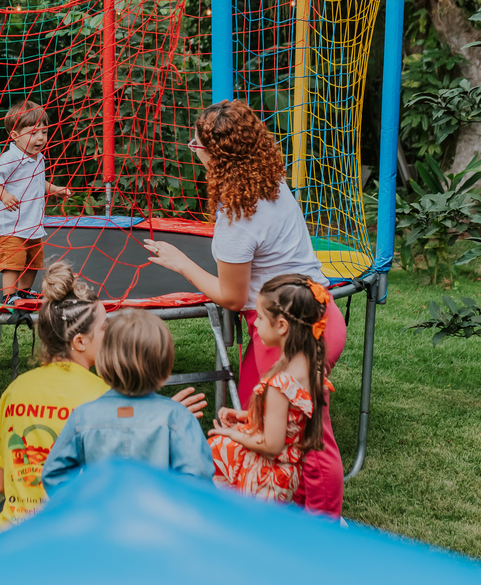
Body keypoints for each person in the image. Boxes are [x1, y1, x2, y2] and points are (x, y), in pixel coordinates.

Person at [143, 99, 347, 518]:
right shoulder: (270, 182)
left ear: (216, 155)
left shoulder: (238, 217)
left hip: (288, 330)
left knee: (310, 434)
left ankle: (323, 525)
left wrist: (182, 263)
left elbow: (233, 297)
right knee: (285, 425)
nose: (192, 150)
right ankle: (281, 510)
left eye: (196, 145)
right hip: (319, 312)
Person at [0, 261, 206, 541]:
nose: (110, 335)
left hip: (15, 533)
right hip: (77, 535)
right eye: (104, 328)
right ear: (80, 342)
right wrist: (162, 417)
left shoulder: (14, 389)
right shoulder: (103, 395)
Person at [41, 309, 215, 495]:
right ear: (165, 368)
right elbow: (199, 475)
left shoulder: (82, 418)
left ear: (103, 362)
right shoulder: (178, 417)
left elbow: (54, 473)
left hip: (103, 520)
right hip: (158, 521)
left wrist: (84, 503)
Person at [206, 274, 330, 502]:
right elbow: (289, 422)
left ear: (281, 325)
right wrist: (247, 417)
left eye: (260, 318)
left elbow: (271, 445)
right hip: (289, 474)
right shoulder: (311, 366)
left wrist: (232, 433)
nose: (256, 323)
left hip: (265, 480)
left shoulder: (279, 384)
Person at [0, 100, 71, 304]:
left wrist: (55, 190)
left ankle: (24, 292)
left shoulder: (37, 157)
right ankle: (9, 295)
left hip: (31, 223)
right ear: (15, 136)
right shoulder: (10, 158)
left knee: (34, 260)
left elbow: (39, 181)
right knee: (13, 262)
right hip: (10, 225)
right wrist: (4, 196)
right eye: (33, 133)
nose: (40, 138)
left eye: (44, 133)